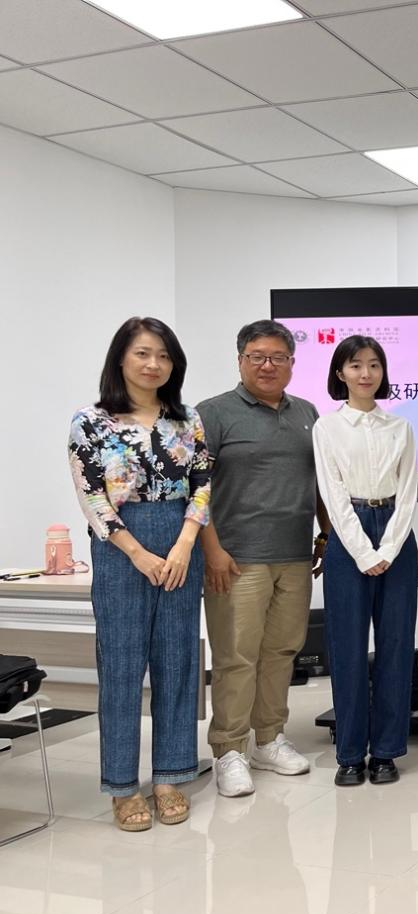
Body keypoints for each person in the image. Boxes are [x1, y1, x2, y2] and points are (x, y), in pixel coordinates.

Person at [69, 317, 210, 831]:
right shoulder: (90, 421)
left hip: (180, 542)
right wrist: (137, 552)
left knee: (177, 661)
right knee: (122, 667)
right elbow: (92, 497)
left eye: (164, 356)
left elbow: (203, 484)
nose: (154, 364)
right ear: (121, 359)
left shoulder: (186, 419)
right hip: (120, 548)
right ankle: (123, 787)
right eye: (144, 353)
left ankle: (170, 775)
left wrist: (184, 544)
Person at [197, 321, 328, 797]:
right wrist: (212, 550)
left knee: (281, 652)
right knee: (236, 657)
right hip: (236, 559)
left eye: (278, 357)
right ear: (240, 361)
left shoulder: (307, 413)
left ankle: (268, 740)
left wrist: (326, 533)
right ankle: (228, 750)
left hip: (294, 556)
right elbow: (196, 490)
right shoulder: (213, 413)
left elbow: (320, 482)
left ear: (292, 363)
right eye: (257, 356)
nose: (267, 365)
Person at [313, 336, 418, 786]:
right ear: (341, 373)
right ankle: (351, 755)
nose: (366, 374)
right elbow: (332, 495)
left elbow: (409, 492)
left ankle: (387, 753)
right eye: (356, 365)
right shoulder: (326, 428)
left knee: (396, 646)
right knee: (348, 649)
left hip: (396, 532)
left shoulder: (400, 428)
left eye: (374, 365)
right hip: (347, 535)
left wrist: (388, 549)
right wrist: (362, 551)